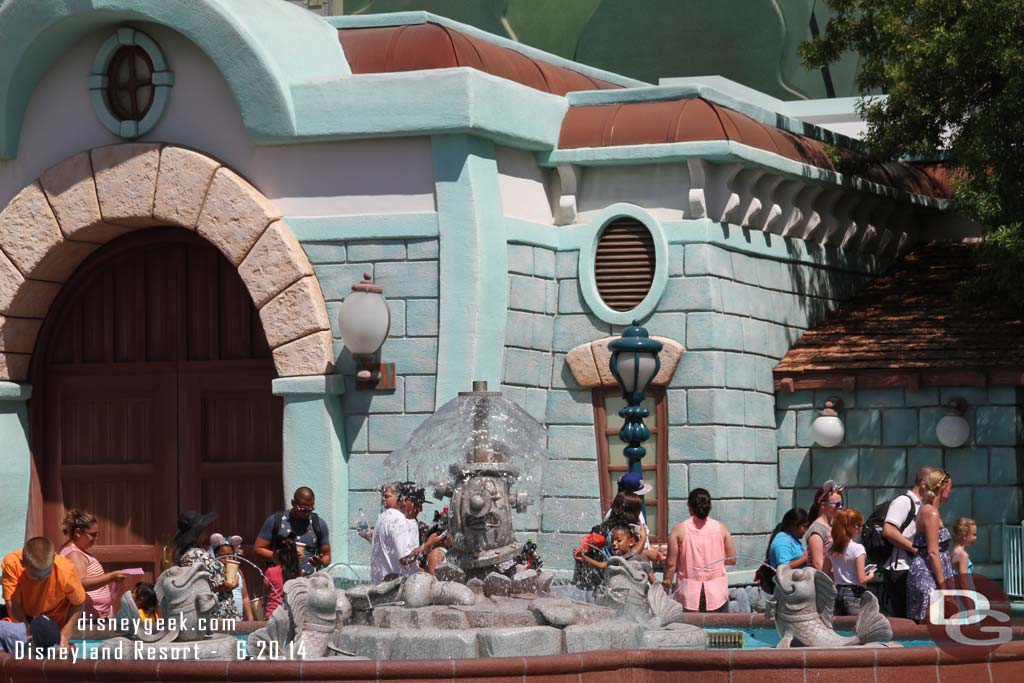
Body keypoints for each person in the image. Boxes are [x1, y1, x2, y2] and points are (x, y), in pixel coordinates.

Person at [1, 537, 86, 649]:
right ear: (24, 565)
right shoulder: (12, 564)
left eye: (47, 574)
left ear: (53, 561)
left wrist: (65, 635)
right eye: (35, 576)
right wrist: (26, 631)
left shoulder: (66, 571)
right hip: (22, 615)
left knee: (62, 650)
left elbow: (79, 603)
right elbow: (13, 604)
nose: (41, 580)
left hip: (52, 621)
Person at [663, 488, 736, 612]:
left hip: (688, 593)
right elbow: (732, 559)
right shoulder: (721, 528)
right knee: (718, 630)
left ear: (689, 507)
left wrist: (665, 588)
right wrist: (714, 562)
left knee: (689, 630)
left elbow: (671, 564)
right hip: (717, 592)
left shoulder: (678, 530)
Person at [881, 466, 933, 618]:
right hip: (900, 571)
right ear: (923, 483)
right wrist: (915, 550)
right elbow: (889, 531)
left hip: (914, 570)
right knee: (904, 619)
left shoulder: (923, 506)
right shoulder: (904, 502)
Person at [58, 508, 127, 619]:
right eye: (92, 535)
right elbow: (81, 583)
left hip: (93, 619)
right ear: (78, 533)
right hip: (87, 621)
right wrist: (111, 577)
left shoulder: (80, 552)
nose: (96, 538)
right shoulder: (74, 554)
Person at [907, 469, 954, 622]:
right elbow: (933, 552)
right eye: (950, 488)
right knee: (932, 625)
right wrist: (943, 587)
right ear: (943, 487)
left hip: (928, 571)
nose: (951, 492)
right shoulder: (931, 513)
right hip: (928, 574)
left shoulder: (928, 510)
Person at [254, 487, 332, 576]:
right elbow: (258, 549)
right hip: (280, 581)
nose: (307, 513)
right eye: (303, 509)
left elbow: (327, 555)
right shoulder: (276, 521)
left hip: (308, 583)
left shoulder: (318, 524)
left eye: (310, 509)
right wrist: (279, 556)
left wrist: (320, 562)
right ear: (293, 503)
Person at [370, 482, 427, 582]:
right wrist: (428, 545)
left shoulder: (383, 517)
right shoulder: (398, 519)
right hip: (396, 588)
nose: (420, 509)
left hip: (381, 585)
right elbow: (405, 559)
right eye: (418, 503)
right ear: (405, 500)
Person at [823, 508, 875, 616]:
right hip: (854, 593)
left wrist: (838, 575)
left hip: (837, 591)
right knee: (855, 627)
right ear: (855, 527)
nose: (861, 529)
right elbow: (861, 579)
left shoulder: (830, 548)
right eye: (861, 526)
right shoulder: (857, 548)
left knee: (839, 627)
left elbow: (825, 572)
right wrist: (870, 575)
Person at [172, 510, 232, 599]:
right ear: (198, 533)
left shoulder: (186, 553)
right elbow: (217, 584)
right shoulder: (197, 554)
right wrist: (233, 584)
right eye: (204, 530)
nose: (207, 533)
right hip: (212, 608)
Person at [604, 474, 664, 563]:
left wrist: (651, 549)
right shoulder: (614, 517)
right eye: (639, 495)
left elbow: (639, 539)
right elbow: (620, 549)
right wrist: (647, 553)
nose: (642, 498)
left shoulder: (636, 511)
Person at [572, 525, 655, 584]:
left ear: (631, 542)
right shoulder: (616, 560)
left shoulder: (636, 556)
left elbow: (652, 580)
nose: (614, 543)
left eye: (618, 540)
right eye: (612, 541)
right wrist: (583, 556)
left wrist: (643, 537)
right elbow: (600, 565)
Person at [805, 480, 845, 570]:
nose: (841, 507)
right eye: (837, 504)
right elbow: (818, 565)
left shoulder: (831, 526)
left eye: (842, 504)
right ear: (823, 505)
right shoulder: (816, 529)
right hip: (822, 582)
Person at [210, 537, 253, 620]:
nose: (227, 560)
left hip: (237, 619)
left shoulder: (239, 573)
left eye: (230, 556)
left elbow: (245, 597)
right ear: (215, 556)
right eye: (222, 556)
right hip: (219, 619)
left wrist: (251, 619)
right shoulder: (213, 574)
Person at [263, 533, 300, 619]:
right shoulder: (297, 571)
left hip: (273, 615)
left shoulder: (271, 571)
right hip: (292, 616)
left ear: (276, 552)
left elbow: (266, 592)